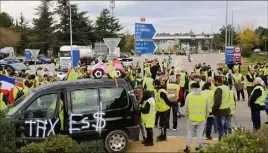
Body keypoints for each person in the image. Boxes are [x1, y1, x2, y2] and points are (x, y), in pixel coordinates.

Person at [184, 82, 209, 153]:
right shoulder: (205, 95)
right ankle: (198, 147)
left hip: (191, 117)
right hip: (201, 118)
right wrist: (206, 116)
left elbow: (186, 107)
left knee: (189, 133)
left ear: (192, 88)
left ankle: (188, 147)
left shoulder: (189, 95)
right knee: (200, 133)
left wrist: (187, 115)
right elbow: (207, 108)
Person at [213, 76, 231, 141]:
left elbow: (217, 101)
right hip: (227, 109)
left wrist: (213, 110)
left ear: (217, 81)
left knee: (220, 127)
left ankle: (221, 140)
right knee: (225, 125)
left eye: (214, 81)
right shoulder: (226, 87)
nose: (213, 82)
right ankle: (226, 137)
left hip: (220, 111)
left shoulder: (219, 89)